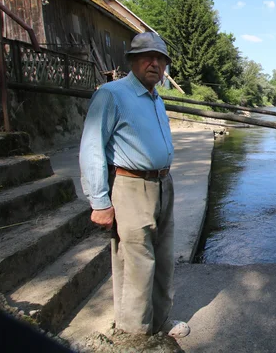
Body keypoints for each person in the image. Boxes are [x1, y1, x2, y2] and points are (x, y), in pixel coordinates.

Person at [79, 32, 190, 339]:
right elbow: (91, 148)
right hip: (131, 186)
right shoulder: (112, 95)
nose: (155, 63)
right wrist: (100, 201)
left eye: (161, 59)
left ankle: (159, 322)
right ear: (132, 61)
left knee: (164, 260)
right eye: (147, 57)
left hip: (163, 185)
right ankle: (135, 334)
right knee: (137, 263)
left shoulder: (155, 97)